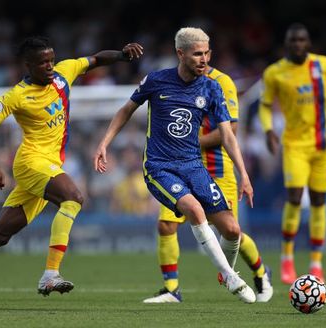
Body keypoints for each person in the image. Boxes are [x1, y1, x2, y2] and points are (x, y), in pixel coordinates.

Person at [0, 36, 144, 309]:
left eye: (51, 60)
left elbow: (95, 59)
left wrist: (121, 55)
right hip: (31, 163)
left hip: (50, 166)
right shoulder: (17, 95)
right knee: (74, 197)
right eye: (43, 62)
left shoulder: (64, 73)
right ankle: (50, 274)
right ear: (29, 65)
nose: (49, 66)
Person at [94, 27, 256, 304]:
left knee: (231, 230)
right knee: (192, 209)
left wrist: (244, 174)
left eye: (206, 53)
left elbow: (227, 134)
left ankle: (227, 271)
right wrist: (104, 143)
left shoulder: (212, 87)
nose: (204, 59)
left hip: (193, 165)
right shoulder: (157, 81)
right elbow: (126, 110)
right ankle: (227, 277)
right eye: (197, 54)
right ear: (181, 54)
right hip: (160, 166)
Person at [142, 60, 273, 303]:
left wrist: (185, 142)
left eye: (203, 52)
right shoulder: (172, 82)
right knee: (166, 224)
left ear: (208, 54)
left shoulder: (221, 83)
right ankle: (172, 289)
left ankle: (262, 272)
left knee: (230, 230)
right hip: (176, 169)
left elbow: (230, 130)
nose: (199, 58)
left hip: (217, 169)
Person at [258, 23, 326, 284]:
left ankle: (316, 262)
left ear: (309, 43)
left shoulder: (323, 65)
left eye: (302, 40)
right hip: (295, 145)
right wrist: (267, 130)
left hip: (322, 145)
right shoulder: (275, 72)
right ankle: (287, 258)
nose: (298, 44)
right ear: (286, 44)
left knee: (320, 200)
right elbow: (264, 106)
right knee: (295, 197)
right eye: (293, 40)